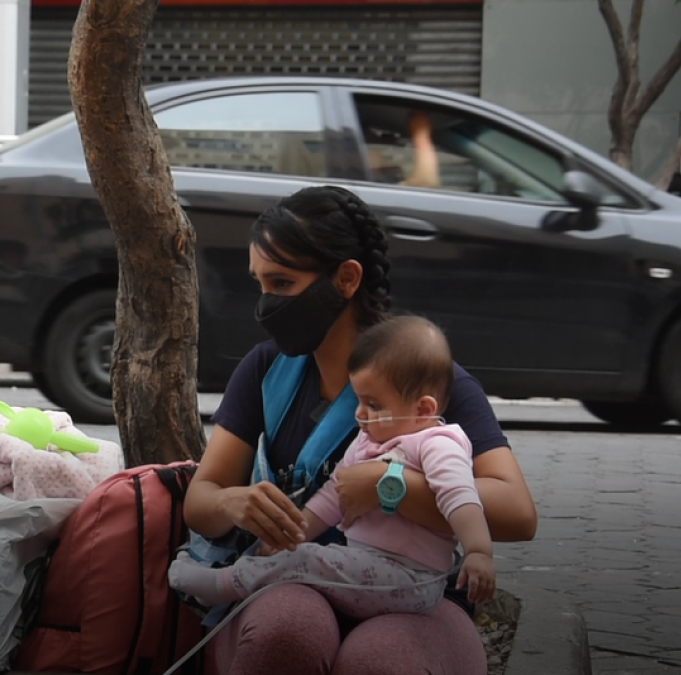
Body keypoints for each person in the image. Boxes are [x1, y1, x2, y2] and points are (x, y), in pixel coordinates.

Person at [182, 184, 537, 675]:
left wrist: (388, 488)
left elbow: (518, 514)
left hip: (411, 597)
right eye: (260, 284)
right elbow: (201, 499)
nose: (266, 304)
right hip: (297, 582)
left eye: (282, 284)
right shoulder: (266, 371)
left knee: (378, 660)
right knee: (286, 632)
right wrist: (231, 503)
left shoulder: (426, 379)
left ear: (346, 279)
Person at [169, 316, 495, 620]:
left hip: (411, 580)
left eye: (374, 405)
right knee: (300, 558)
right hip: (371, 567)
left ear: (423, 408)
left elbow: (460, 496)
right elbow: (331, 497)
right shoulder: (369, 441)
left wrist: (478, 551)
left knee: (305, 561)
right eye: (359, 401)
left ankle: (221, 586)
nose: (360, 414)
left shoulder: (438, 443)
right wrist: (291, 537)